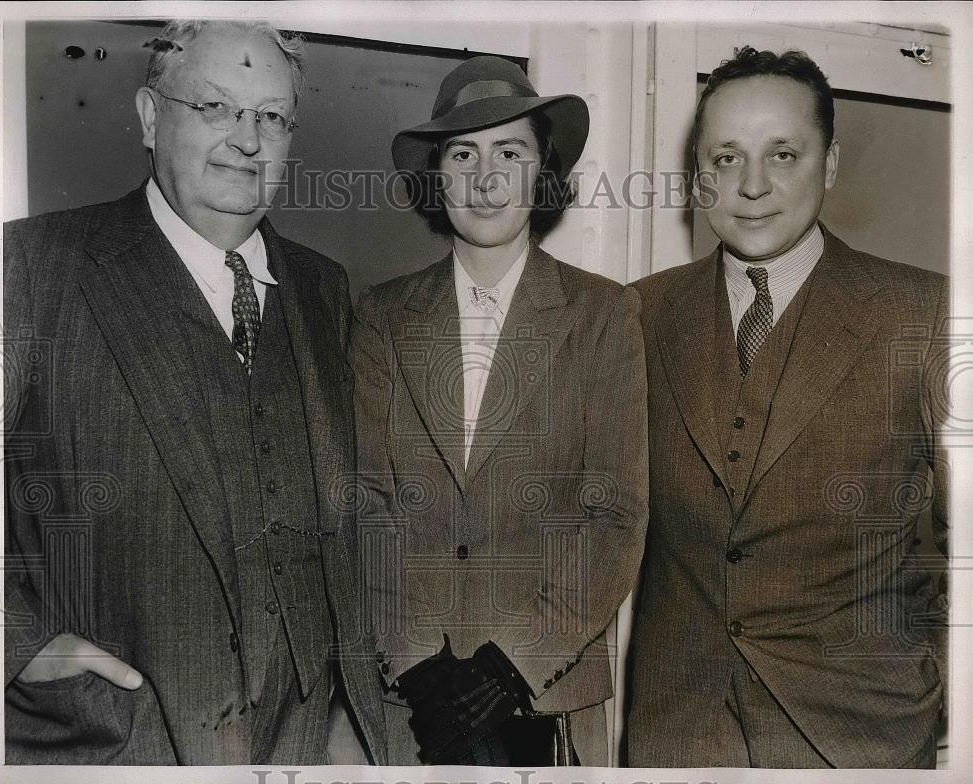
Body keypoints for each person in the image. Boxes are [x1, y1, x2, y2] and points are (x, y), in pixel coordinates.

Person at [3, 19, 385, 765]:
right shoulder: (30, 265)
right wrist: (18, 646)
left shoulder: (323, 287)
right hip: (113, 739)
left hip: (299, 742)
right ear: (151, 117)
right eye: (215, 107)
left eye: (271, 116)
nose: (247, 139)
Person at [627, 46, 949, 768]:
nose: (752, 186)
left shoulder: (924, 313)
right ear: (698, 174)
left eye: (783, 154)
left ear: (829, 166)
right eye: (726, 159)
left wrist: (941, 690)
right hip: (680, 733)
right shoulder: (640, 312)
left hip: (860, 737)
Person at [349, 55, 648, 767]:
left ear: (542, 173)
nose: (485, 179)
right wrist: (420, 663)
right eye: (463, 154)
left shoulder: (604, 314)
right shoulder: (382, 316)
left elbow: (615, 517)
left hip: (547, 698)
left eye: (509, 152)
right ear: (437, 175)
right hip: (411, 703)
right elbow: (362, 502)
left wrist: (512, 664)